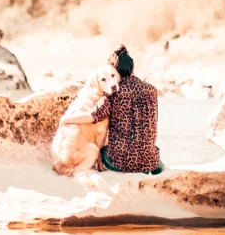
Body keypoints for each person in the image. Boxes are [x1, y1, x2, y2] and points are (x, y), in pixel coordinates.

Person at [60, 45, 164, 174]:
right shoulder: (151, 90)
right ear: (132, 68)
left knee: (104, 151)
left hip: (120, 162)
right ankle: (151, 163)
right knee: (151, 151)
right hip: (149, 160)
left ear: (114, 71)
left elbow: (92, 116)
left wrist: (65, 119)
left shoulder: (112, 93)